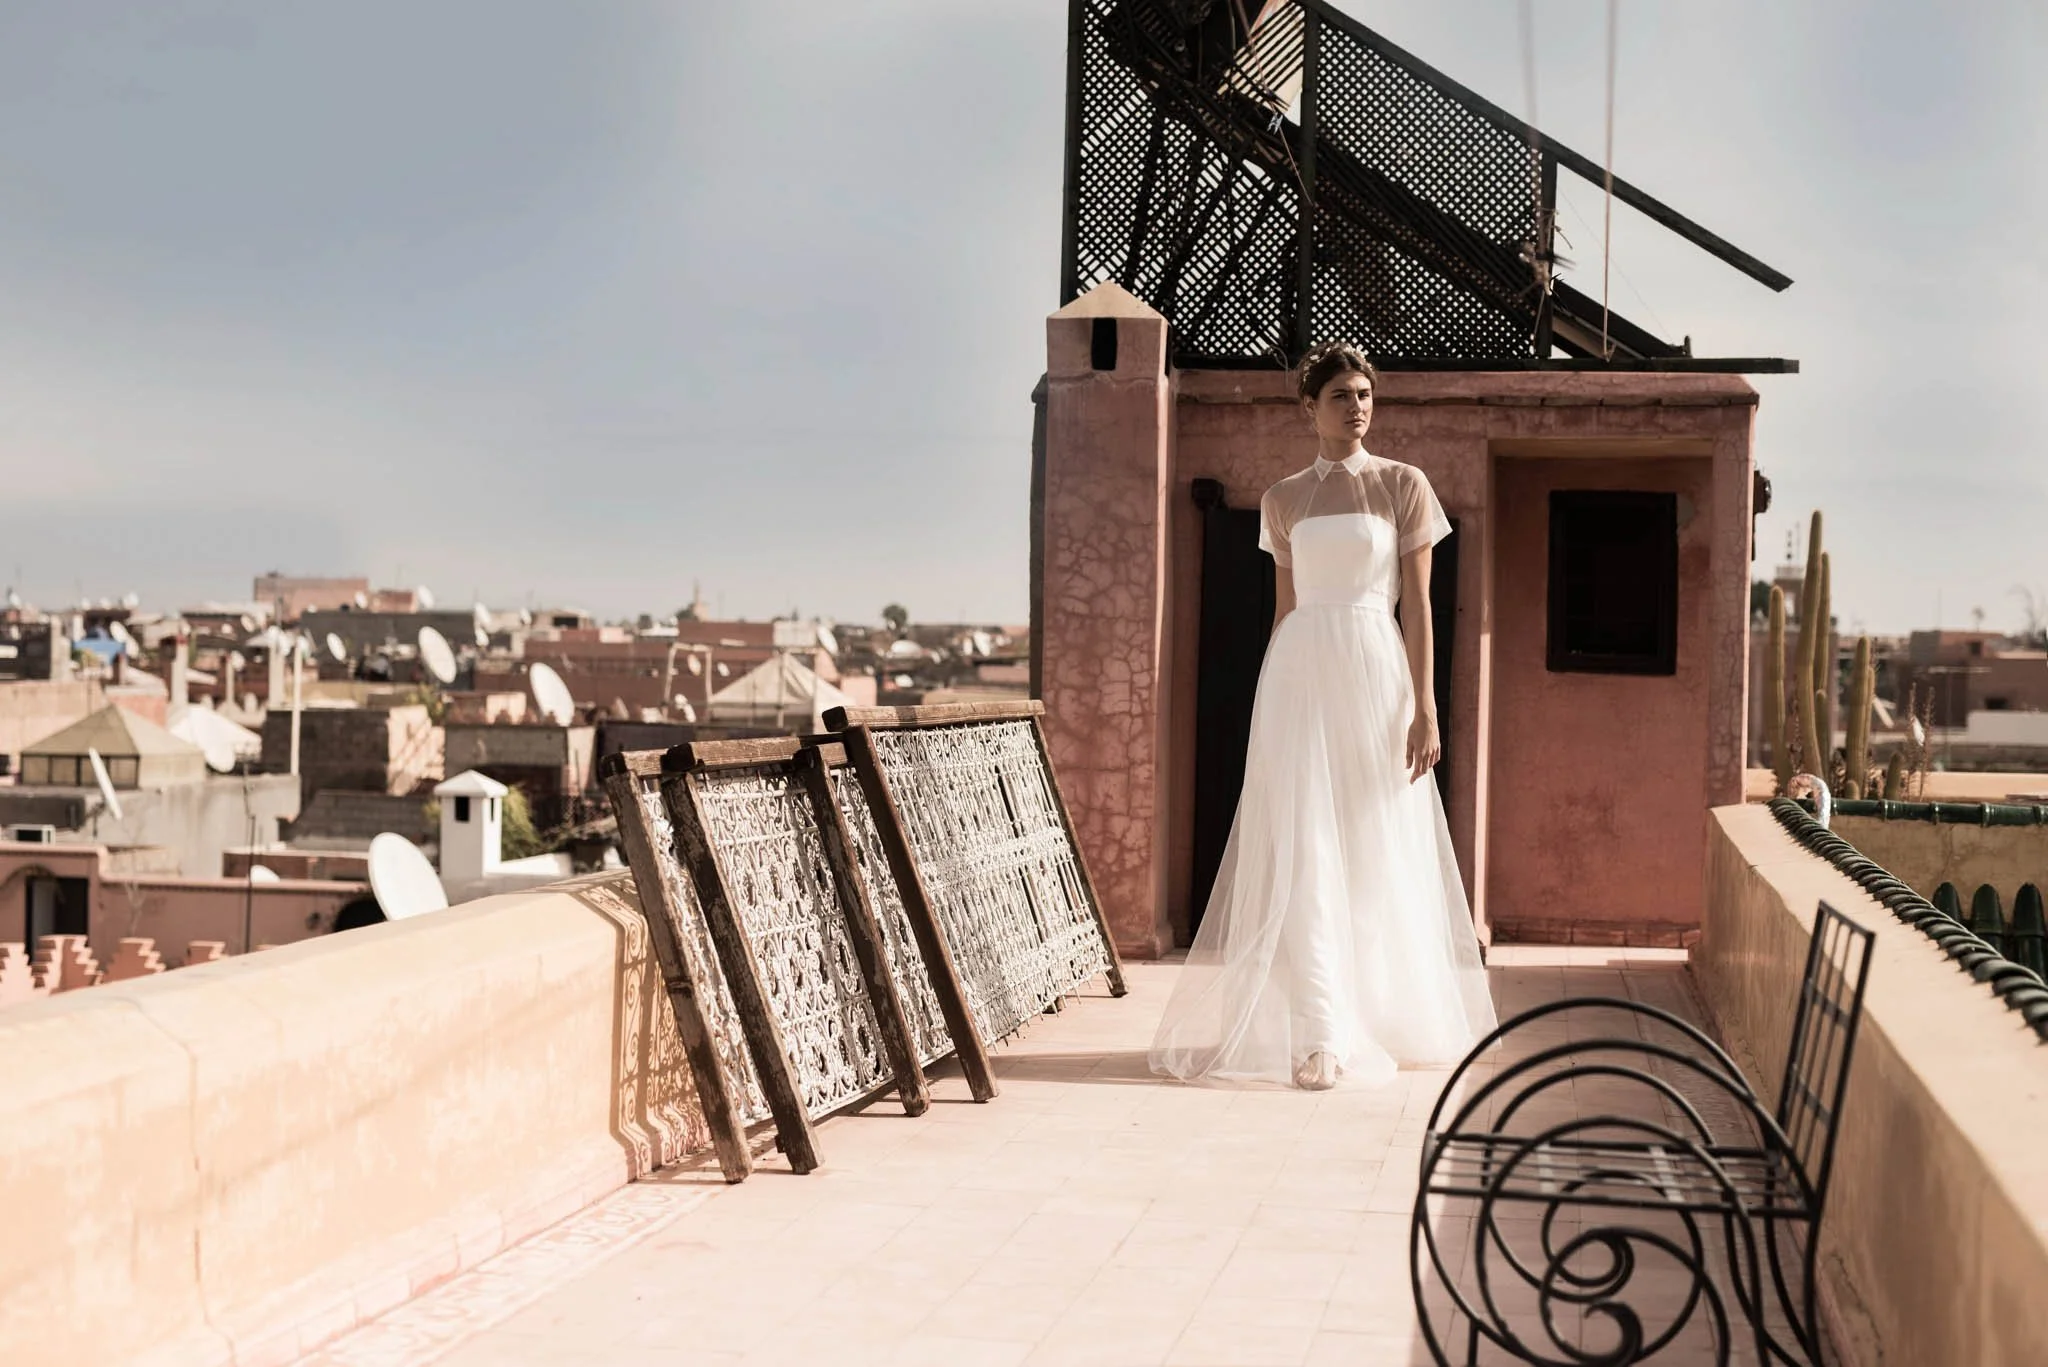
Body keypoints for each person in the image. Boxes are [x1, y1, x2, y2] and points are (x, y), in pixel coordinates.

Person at [1149, 341, 1497, 1090]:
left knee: (1372, 848)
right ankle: (1320, 1035)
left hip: (1376, 675)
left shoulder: (1405, 485)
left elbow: (1421, 609)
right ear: (1310, 407)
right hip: (1299, 675)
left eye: (1365, 393)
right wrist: (1268, 702)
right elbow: (1285, 612)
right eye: (1342, 395)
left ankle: (1370, 1010)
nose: (1358, 406)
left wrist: (1426, 707)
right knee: (1303, 848)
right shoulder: (1282, 499)